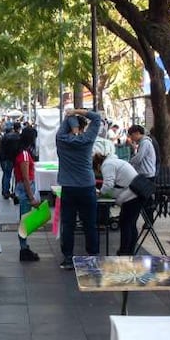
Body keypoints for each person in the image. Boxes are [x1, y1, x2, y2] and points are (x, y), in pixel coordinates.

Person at [56, 109, 103, 270]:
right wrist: (76, 111)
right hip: (87, 186)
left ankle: (68, 258)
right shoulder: (88, 139)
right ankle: (93, 256)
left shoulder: (60, 139)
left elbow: (65, 124)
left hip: (68, 187)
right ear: (84, 127)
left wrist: (69, 118)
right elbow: (97, 118)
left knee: (68, 224)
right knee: (89, 223)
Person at [93, 152, 144, 255]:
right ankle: (130, 252)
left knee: (125, 224)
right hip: (137, 191)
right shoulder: (114, 161)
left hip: (132, 195)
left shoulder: (107, 165)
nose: (99, 172)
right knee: (131, 225)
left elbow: (108, 184)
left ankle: (124, 252)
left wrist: (100, 193)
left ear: (98, 165)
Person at [13, 127, 40, 262]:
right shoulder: (24, 154)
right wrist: (31, 197)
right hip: (25, 189)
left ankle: (24, 247)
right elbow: (25, 177)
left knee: (25, 219)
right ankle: (24, 249)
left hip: (23, 188)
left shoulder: (22, 152)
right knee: (24, 220)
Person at [0, 122, 20, 198]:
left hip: (3, 158)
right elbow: (14, 150)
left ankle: (5, 191)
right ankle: (8, 191)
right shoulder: (15, 137)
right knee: (9, 175)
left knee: (6, 175)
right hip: (10, 158)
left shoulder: (2, 138)